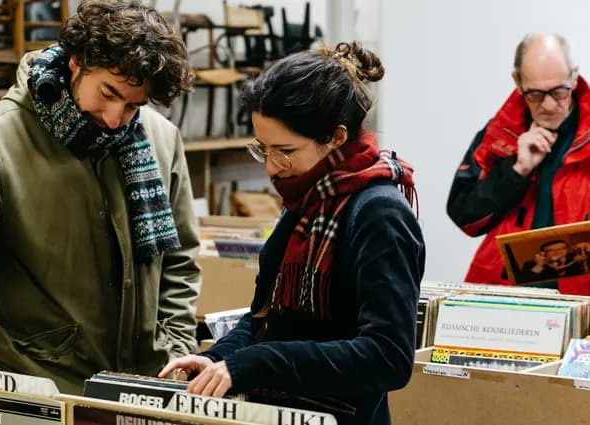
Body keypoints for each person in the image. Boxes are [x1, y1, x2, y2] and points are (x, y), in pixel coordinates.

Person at [0, 0, 200, 395]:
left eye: (132, 105)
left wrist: (177, 350)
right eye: (108, 93)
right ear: (77, 62)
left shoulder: (160, 138)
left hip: (148, 387)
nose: (114, 118)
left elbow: (178, 260)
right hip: (41, 392)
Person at [159, 42, 425, 425]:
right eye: (262, 149)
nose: (270, 168)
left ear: (335, 138)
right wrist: (217, 359)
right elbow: (266, 319)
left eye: (284, 151)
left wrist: (255, 363)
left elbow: (387, 357)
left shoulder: (378, 213)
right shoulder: (307, 198)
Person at [447, 33, 590, 294]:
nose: (548, 105)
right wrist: (517, 172)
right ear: (517, 82)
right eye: (535, 94)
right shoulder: (499, 134)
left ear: (574, 76)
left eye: (559, 91)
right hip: (510, 304)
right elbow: (463, 214)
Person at [518, 240, 587, 283]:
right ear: (543, 253)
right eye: (551, 250)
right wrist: (539, 266)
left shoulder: (578, 258)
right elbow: (525, 283)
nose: (557, 252)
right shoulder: (530, 265)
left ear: (567, 250)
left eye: (561, 248)